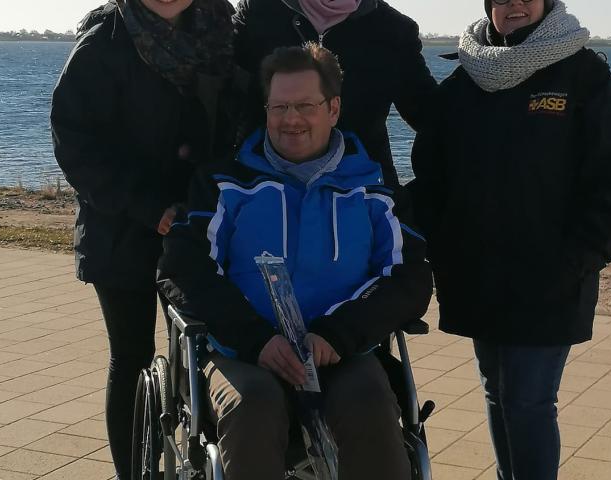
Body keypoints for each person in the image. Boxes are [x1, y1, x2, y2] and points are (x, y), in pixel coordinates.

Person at [157, 43, 432, 480]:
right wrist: (255, 340)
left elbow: (408, 278)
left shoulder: (373, 189)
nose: (291, 119)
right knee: (253, 405)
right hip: (244, 351)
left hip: (340, 350)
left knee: (370, 402)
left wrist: (338, 335)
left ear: (333, 108)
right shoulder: (223, 183)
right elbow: (184, 269)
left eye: (305, 105)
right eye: (279, 107)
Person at [409, 0, 611, 478]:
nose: (514, 3)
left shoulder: (583, 76)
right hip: (477, 277)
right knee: (498, 392)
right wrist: (439, 249)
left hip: (550, 281)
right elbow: (431, 180)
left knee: (527, 400)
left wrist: (573, 262)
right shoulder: (464, 81)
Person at [50, 0, 235, 477]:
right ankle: (132, 472)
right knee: (132, 357)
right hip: (121, 227)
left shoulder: (223, 29)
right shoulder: (105, 41)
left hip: (202, 226)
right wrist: (149, 208)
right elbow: (75, 144)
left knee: (210, 353)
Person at [231, 0, 437, 186]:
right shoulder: (257, 10)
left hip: (365, 194)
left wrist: (424, 202)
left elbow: (434, 119)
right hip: (256, 188)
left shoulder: (394, 30)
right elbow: (222, 93)